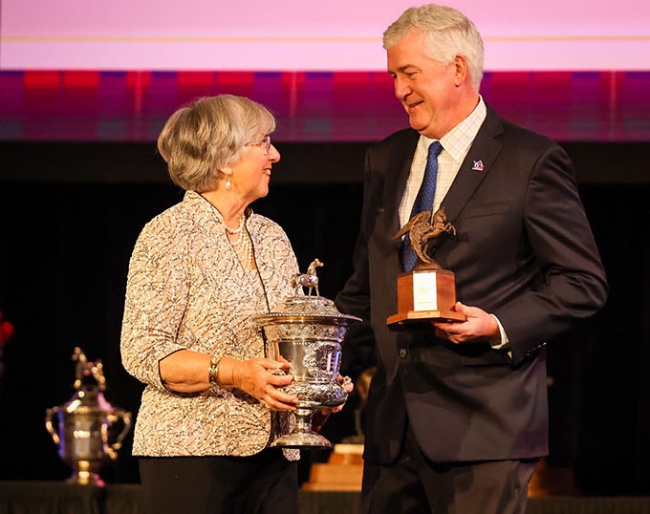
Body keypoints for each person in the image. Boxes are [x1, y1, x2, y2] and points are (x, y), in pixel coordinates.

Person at [335, 5, 608, 514]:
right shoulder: (385, 158)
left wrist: (497, 324)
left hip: (484, 429)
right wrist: (322, 366)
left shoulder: (530, 160)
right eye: (393, 76)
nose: (399, 90)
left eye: (410, 73)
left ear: (457, 69)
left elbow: (582, 281)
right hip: (391, 430)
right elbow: (365, 286)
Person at [121, 94, 306, 514]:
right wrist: (238, 373)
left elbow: (293, 336)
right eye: (263, 143)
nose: (275, 155)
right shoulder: (168, 234)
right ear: (224, 159)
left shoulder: (272, 236)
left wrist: (311, 389)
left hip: (275, 452)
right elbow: (143, 350)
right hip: (190, 452)